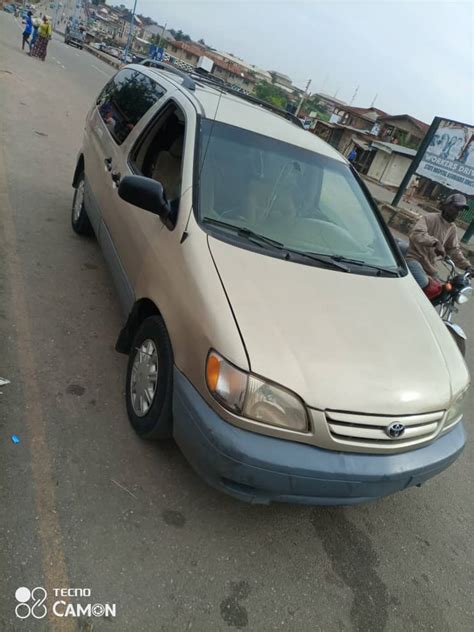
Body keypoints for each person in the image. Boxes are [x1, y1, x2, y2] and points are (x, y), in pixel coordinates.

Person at [405, 193, 473, 296]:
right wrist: (435, 243)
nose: (457, 212)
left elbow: (453, 250)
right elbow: (416, 234)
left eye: (460, 210)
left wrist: (467, 266)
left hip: (431, 267)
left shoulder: (452, 228)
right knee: (426, 286)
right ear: (446, 205)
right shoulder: (429, 218)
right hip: (415, 259)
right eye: (456, 207)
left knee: (442, 292)